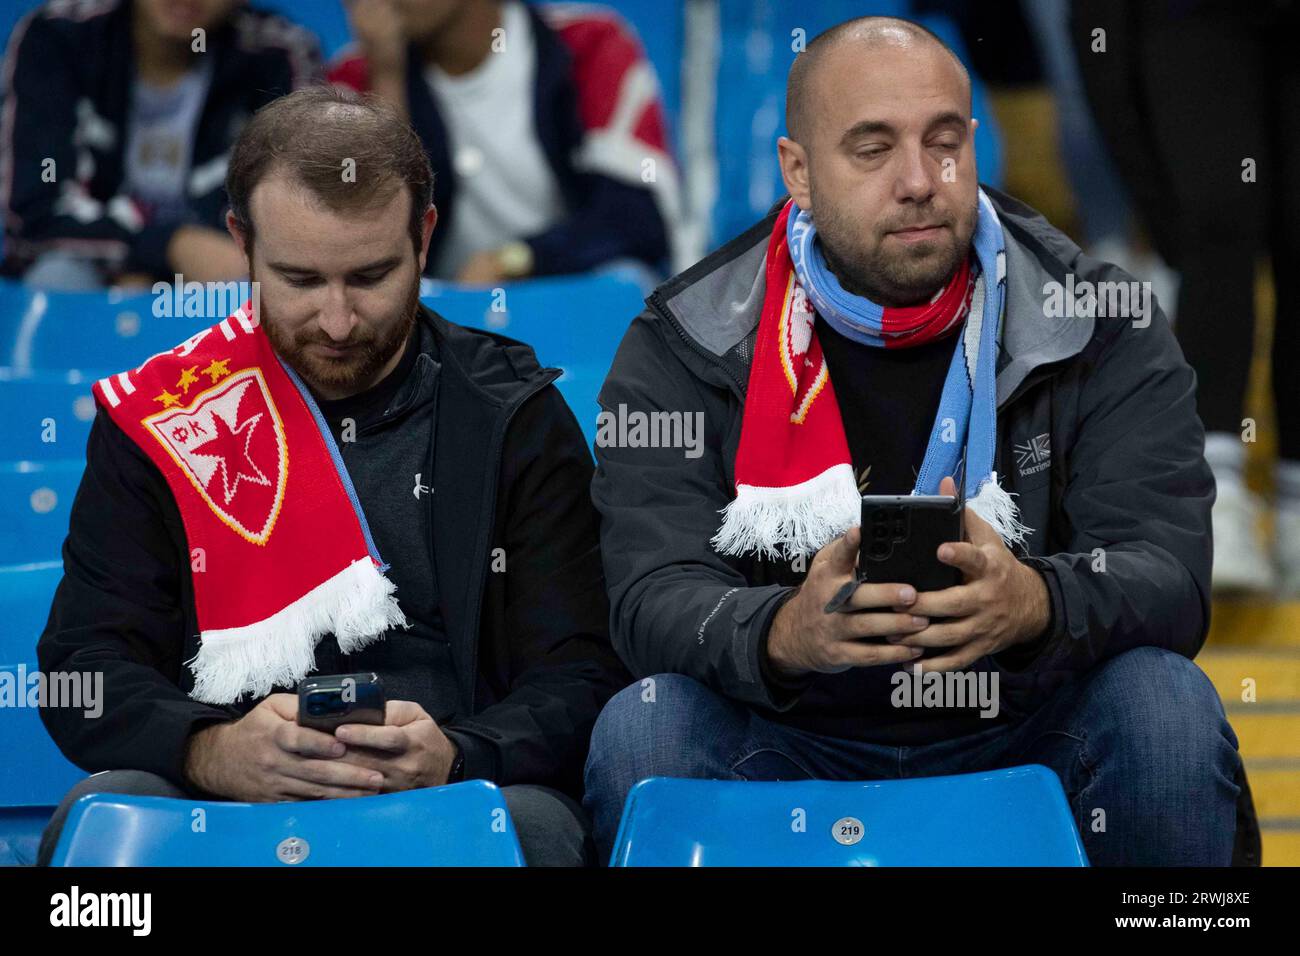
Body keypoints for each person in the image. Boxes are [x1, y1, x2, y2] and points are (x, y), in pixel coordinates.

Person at [584, 16, 1256, 866]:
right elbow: (649, 594)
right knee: (644, 726)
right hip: (794, 734)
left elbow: (1167, 572)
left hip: (1023, 723)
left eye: (944, 143)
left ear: (976, 143)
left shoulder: (1100, 319)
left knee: (1166, 707)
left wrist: (1036, 603)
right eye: (872, 149)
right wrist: (783, 633)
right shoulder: (687, 338)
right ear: (797, 169)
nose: (919, 181)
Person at [37, 87, 627, 866]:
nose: (340, 322)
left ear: (425, 237)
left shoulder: (514, 414)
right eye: (302, 281)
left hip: (452, 797)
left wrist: (457, 754)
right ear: (240, 242)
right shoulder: (153, 423)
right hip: (225, 798)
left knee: (534, 831)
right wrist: (209, 749)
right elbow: (81, 671)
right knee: (100, 820)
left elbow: (585, 676)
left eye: (371, 276)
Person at [1071, 0, 1300, 596]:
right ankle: (1217, 489)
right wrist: (1164, 217)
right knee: (1219, 221)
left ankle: (1294, 499)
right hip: (1182, 18)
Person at [328, 0, 675, 283]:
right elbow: (362, 251)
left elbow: (637, 219)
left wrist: (514, 260)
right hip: (442, 328)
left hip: (570, 297)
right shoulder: (354, 79)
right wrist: (387, 81)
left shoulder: (587, 43)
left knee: (625, 281)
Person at [1, 0, 322, 289]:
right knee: (58, 277)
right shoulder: (58, 35)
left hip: (219, 272)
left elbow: (289, 221)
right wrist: (167, 248)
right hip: (91, 267)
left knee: (264, 286)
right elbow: (32, 215)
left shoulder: (280, 54)